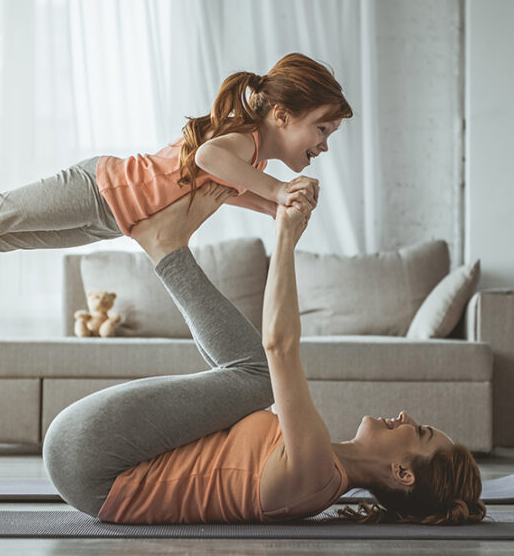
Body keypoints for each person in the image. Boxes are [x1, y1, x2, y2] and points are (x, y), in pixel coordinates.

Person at [42, 181, 486, 525]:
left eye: (421, 432)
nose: (407, 416)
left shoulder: (315, 475)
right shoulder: (320, 466)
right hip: (91, 460)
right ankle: (167, 247)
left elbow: (279, 347)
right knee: (252, 380)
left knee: (258, 378)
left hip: (93, 461)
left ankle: (166, 247)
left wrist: (286, 236)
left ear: (402, 473)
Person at [0, 52, 351, 278]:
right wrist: (279, 193)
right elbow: (207, 157)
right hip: (99, 188)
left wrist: (271, 211)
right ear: (282, 114)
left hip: (111, 219)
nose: (324, 143)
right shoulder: (241, 142)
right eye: (321, 128)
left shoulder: (249, 156)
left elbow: (226, 187)